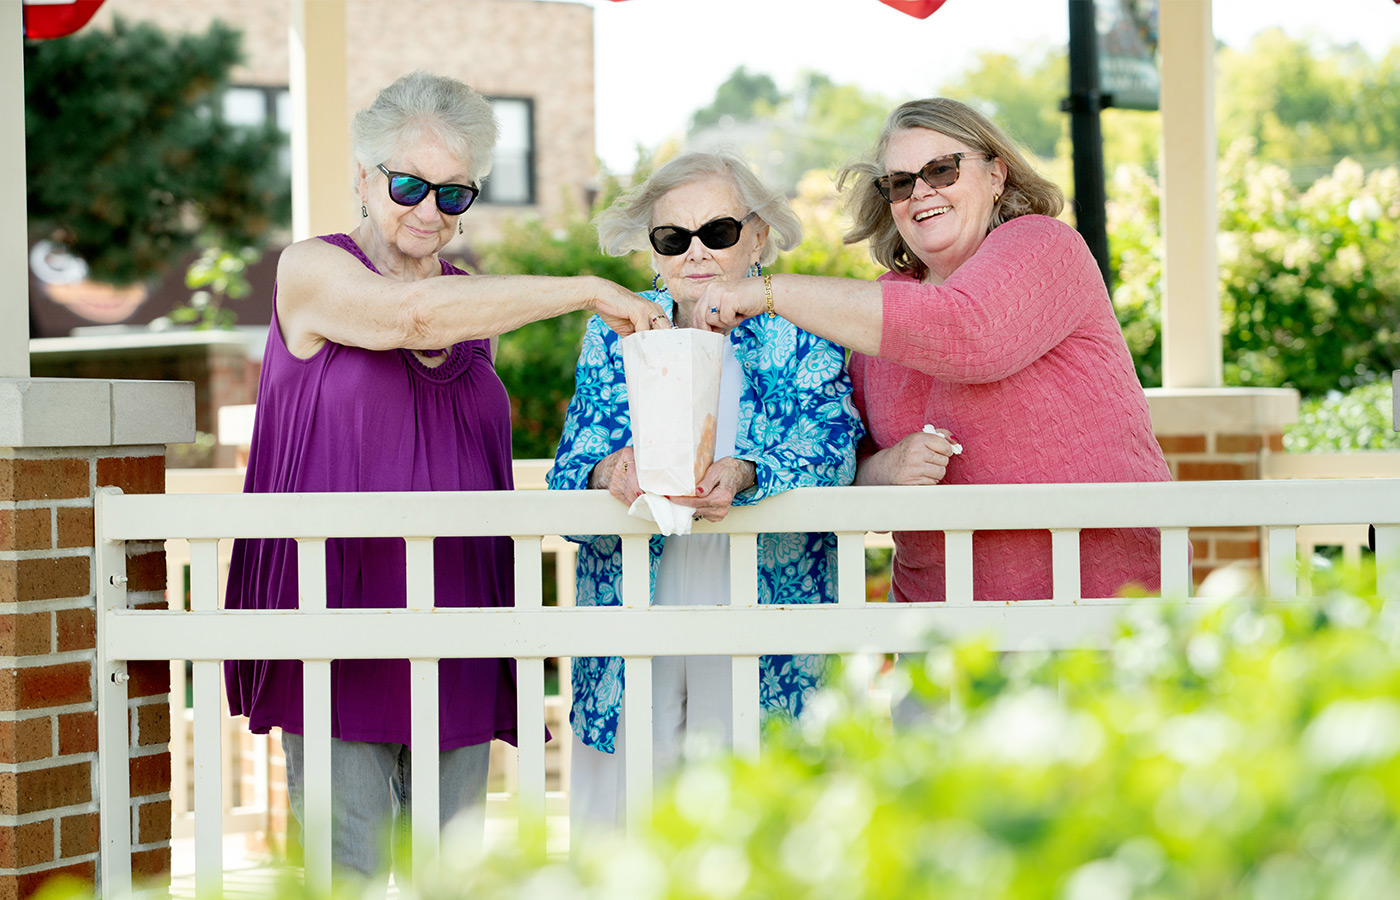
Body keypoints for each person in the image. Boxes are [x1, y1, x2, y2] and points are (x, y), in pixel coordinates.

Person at [222, 70, 668, 882]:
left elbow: (446, 357)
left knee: (450, 875)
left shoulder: (476, 303)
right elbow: (408, 321)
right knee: (343, 872)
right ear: (363, 177)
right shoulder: (311, 271)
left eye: (454, 194)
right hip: (340, 617)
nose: (428, 210)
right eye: (407, 184)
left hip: (460, 612)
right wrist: (586, 290)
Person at [699, 98, 1175, 603]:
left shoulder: (1044, 244)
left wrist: (770, 291)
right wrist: (885, 469)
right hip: (938, 624)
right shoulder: (881, 309)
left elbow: (969, 332)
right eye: (900, 183)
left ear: (997, 174)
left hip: (1100, 604)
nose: (921, 192)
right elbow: (843, 461)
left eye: (942, 170)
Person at [547, 151, 863, 827]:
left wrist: (751, 473)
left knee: (755, 816)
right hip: (634, 592)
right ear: (654, 252)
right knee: (624, 823)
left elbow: (835, 444)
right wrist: (609, 471)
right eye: (672, 237)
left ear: (758, 235)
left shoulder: (802, 322)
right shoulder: (615, 329)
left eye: (717, 232)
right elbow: (570, 467)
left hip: (765, 591)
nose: (695, 252)